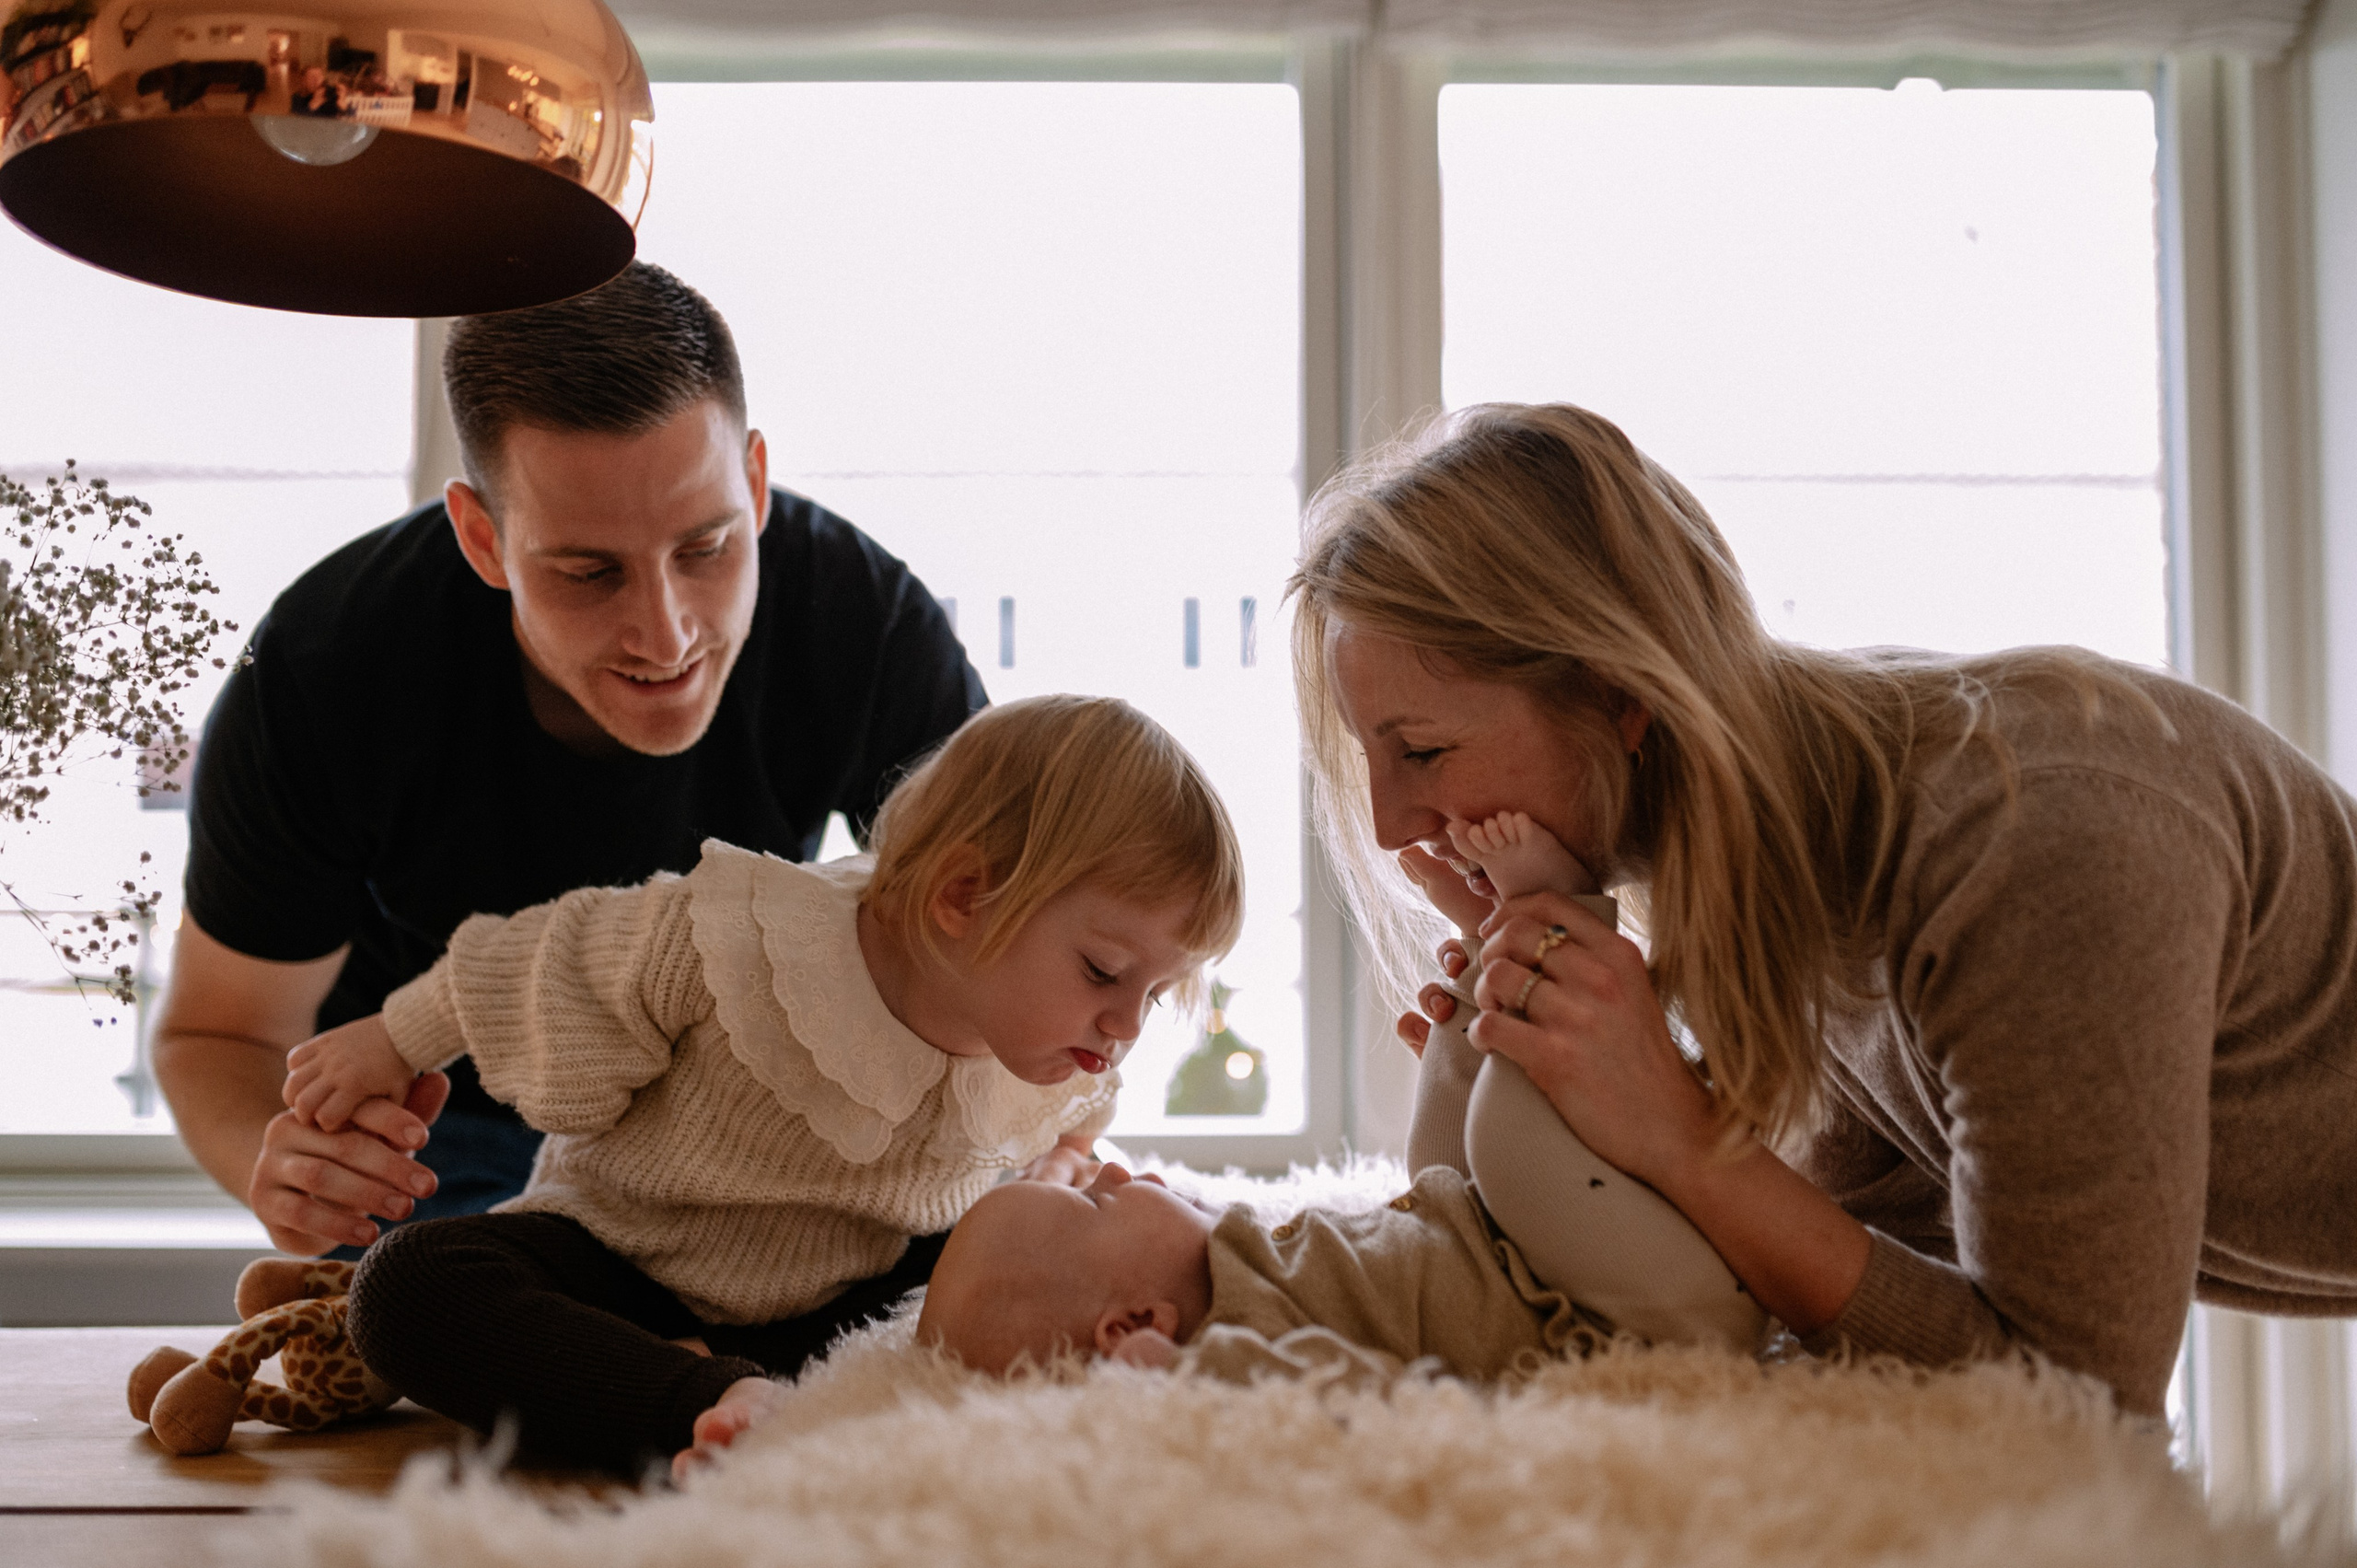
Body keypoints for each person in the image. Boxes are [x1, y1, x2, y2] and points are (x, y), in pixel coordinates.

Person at [1284, 400, 2357, 1420]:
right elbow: (1856, 1285)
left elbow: (2074, 1403)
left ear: (1616, 692)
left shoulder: (2031, 843)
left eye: (1422, 751)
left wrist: (1683, 1133)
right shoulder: (1752, 865)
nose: (1389, 826)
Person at [154, 261, 985, 1264]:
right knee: (456, 1309)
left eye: (708, 546)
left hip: (741, 1114)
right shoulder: (324, 665)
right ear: (482, 537)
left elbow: (1011, 930)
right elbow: (220, 1036)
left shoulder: (867, 622)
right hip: (441, 1129)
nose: (667, 632)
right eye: (589, 572)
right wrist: (281, 1166)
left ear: (755, 484)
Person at [289, 696, 1244, 1474]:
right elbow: (541, 960)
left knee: (1011, 1280)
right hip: (620, 1259)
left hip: (841, 1296)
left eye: (1156, 994)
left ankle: (749, 1386)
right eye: (1102, 971)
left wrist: (1067, 1170)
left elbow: (1069, 1132)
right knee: (407, 1286)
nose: (1124, 1028)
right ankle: (695, 1395)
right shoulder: (736, 941)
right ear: (963, 897)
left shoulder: (1057, 1052)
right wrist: (393, 1036)